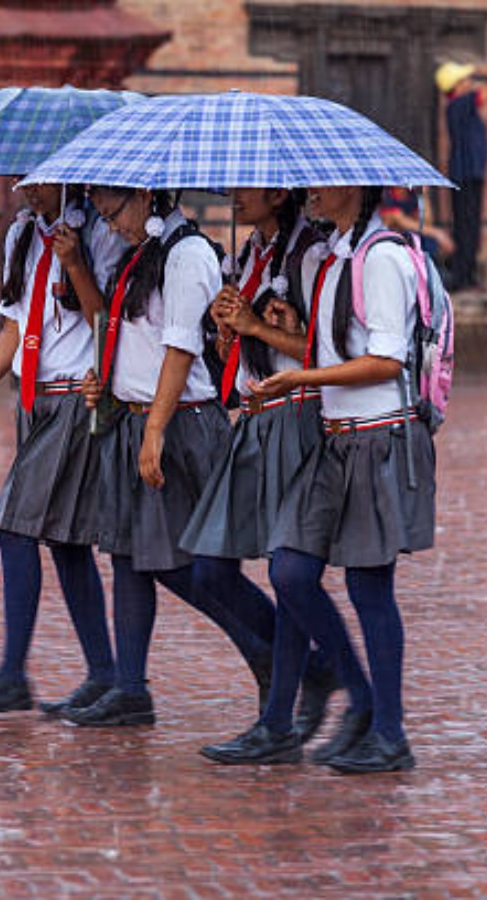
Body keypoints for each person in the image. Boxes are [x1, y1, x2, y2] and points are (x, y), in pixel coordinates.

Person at [207, 184, 436, 774]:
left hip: (377, 433)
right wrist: (274, 326)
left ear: (355, 190)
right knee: (291, 569)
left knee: (369, 587)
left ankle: (389, 732)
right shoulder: (336, 257)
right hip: (338, 436)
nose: (313, 190)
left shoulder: (380, 257)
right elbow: (331, 341)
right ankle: (357, 697)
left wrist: (297, 374)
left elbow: (387, 360)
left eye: (326, 183)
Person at [0, 182, 121, 716]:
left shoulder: (100, 234)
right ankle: (104, 672)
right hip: (33, 402)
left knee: (15, 527)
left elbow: (105, 321)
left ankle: (13, 674)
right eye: (22, 179)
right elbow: (16, 327)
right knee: (66, 542)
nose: (27, 190)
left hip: (72, 400)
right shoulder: (24, 233)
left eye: (39, 180)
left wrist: (77, 264)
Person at [176, 188, 341, 755]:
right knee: (209, 570)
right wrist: (227, 331)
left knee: (286, 568)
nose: (233, 197)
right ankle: (314, 670)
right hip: (253, 419)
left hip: (298, 417)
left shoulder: (314, 257)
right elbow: (233, 358)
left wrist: (258, 327)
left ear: (276, 193)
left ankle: (278, 721)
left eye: (244, 189)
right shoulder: (248, 256)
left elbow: (331, 355)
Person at [65, 187, 235, 728]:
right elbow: (129, 334)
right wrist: (108, 383)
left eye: (113, 212)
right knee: (129, 558)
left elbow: (181, 349)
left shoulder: (187, 255)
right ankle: (131, 687)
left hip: (180, 423)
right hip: (135, 417)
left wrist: (155, 429)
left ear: (145, 197)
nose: (109, 226)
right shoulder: (139, 253)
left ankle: (274, 647)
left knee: (186, 567)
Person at [437, 62, 487, 292]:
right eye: (464, 79)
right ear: (456, 86)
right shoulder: (459, 104)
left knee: (471, 226)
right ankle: (461, 278)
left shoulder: (466, 108)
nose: (469, 82)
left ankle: (467, 275)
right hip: (464, 171)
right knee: (465, 227)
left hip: (472, 172)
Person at [380, 187, 455, 277]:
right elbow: (403, 222)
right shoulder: (388, 195)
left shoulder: (412, 194)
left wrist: (424, 196)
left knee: (428, 241)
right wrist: (437, 234)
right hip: (392, 243)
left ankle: (432, 271)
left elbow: (426, 221)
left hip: (412, 240)